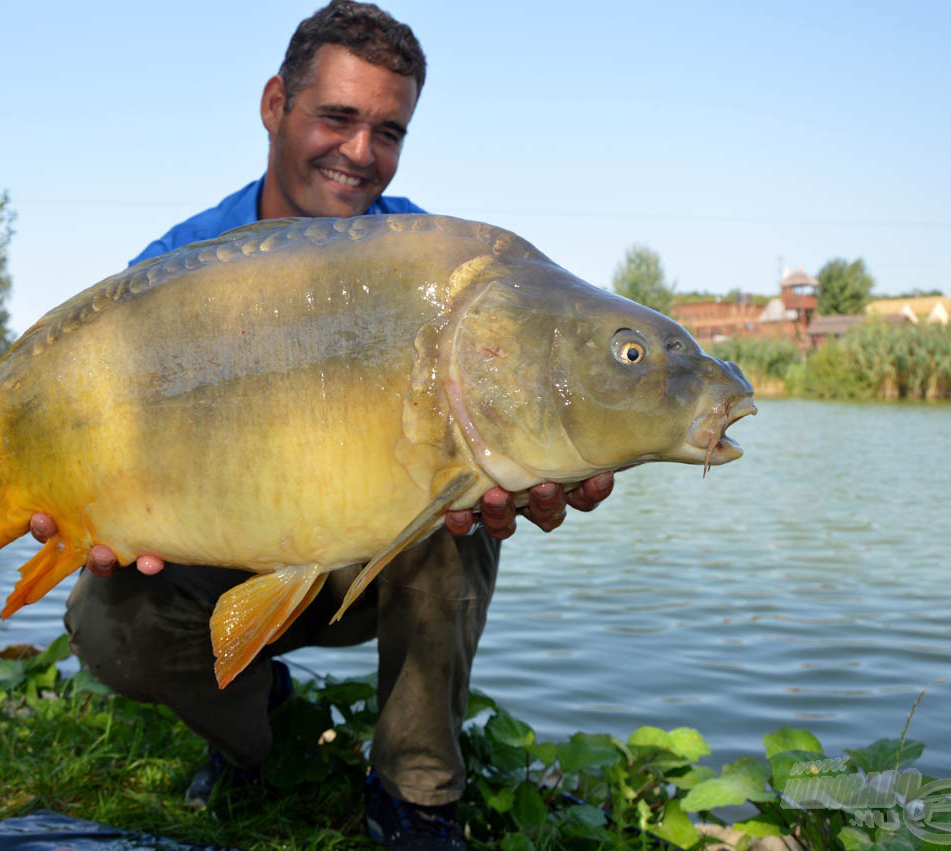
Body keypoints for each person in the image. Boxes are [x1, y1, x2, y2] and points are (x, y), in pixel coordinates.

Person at [30, 3, 614, 848]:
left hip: (373, 561)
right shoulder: (175, 267)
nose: (360, 152)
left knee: (463, 489)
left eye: (389, 130)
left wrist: (539, 460)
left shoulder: (432, 266)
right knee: (106, 617)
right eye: (337, 117)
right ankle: (254, 729)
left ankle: (415, 793)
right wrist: (92, 503)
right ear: (275, 105)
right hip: (219, 556)